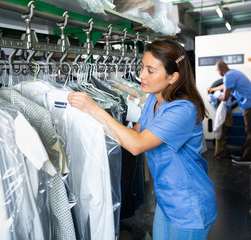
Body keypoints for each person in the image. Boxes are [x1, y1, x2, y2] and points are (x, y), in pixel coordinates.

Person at [68, 39, 217, 240]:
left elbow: (137, 145)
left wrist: (95, 109)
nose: (141, 76)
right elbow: (134, 133)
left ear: (173, 77)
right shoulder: (153, 102)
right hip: (167, 200)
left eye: (150, 70)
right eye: (142, 68)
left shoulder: (183, 109)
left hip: (189, 206)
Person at [208, 61, 251, 164]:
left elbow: (225, 96)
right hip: (250, 103)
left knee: (250, 130)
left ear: (219, 71)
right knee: (249, 129)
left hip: (250, 104)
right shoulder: (232, 73)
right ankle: (245, 152)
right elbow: (224, 86)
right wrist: (213, 89)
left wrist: (216, 98)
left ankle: (247, 156)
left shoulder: (228, 76)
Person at [207, 80, 233, 159]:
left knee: (221, 136)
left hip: (220, 117)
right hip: (224, 118)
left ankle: (220, 152)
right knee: (221, 137)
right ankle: (218, 153)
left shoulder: (214, 99)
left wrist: (211, 89)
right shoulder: (221, 97)